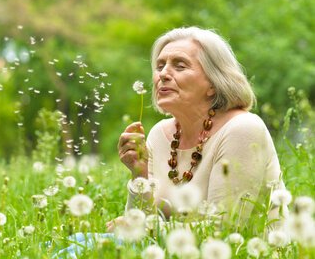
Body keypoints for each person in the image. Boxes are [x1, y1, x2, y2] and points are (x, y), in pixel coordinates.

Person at [108, 27, 287, 231]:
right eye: (159, 66)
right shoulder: (159, 134)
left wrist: (147, 229)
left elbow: (224, 230)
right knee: (75, 244)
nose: (163, 74)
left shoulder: (242, 129)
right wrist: (138, 174)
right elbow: (137, 234)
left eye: (180, 66)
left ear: (213, 83)